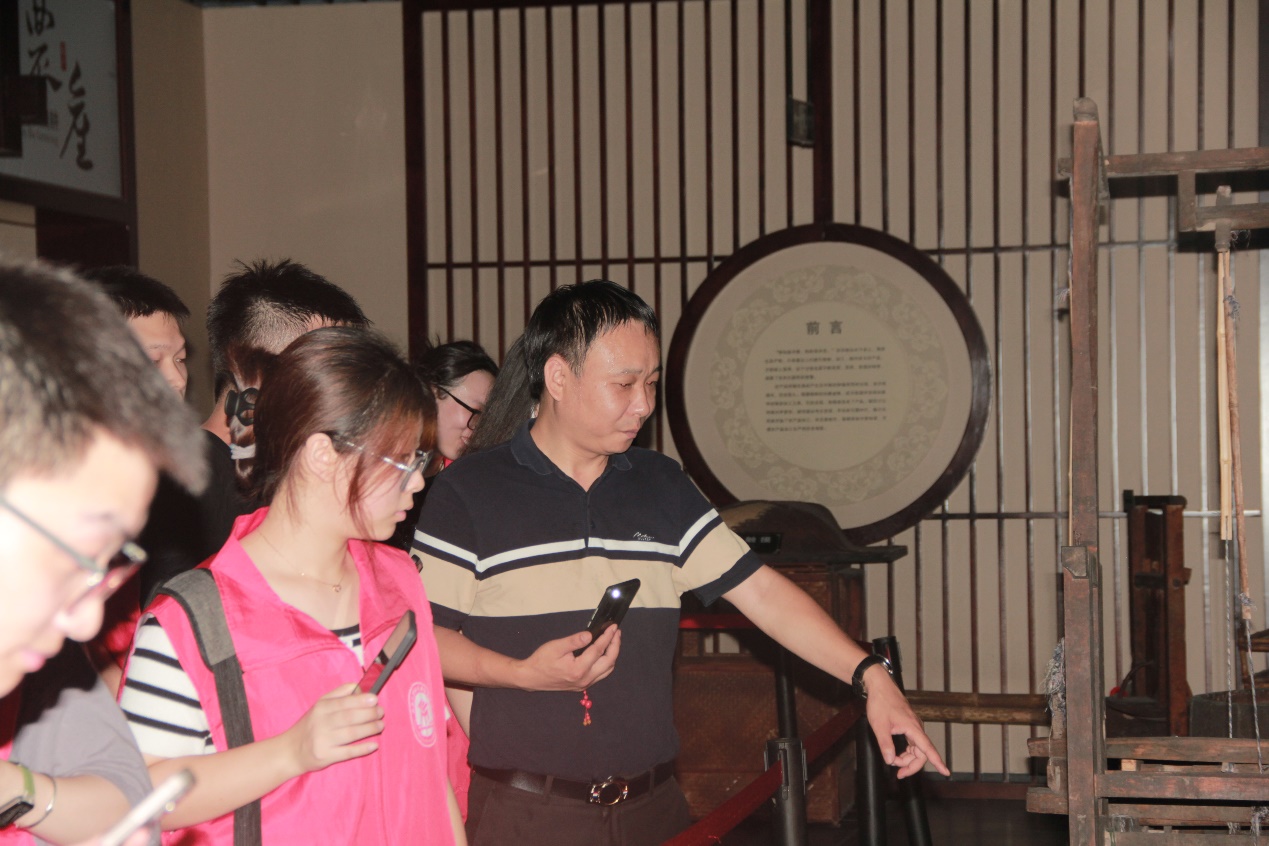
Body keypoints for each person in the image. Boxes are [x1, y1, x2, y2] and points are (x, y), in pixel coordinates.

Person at [412, 280, 950, 845]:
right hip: (527, 815)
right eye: (624, 384)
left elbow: (763, 594)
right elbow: (425, 638)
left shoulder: (661, 484)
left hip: (654, 807)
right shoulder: (469, 491)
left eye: (650, 383)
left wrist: (871, 677)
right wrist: (523, 674)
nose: (644, 405)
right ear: (558, 378)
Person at [120, 328, 465, 845]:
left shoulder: (399, 579)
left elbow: (432, 776)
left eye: (423, 461)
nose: (417, 482)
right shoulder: (194, 618)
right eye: (403, 461)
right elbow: (137, 796)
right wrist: (290, 751)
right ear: (322, 455)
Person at [0, 259, 207, 845]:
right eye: (79, 552)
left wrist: (17, 789)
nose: (90, 619)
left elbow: (127, 798)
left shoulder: (45, 656)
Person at [135, 259, 369, 608]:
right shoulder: (183, 484)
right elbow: (172, 620)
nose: (343, 387)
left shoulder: (292, 474)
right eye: (329, 369)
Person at [389, 340, 497, 552]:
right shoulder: (382, 465)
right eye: (475, 411)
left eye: (487, 418)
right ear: (432, 392)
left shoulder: (461, 479)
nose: (479, 427)